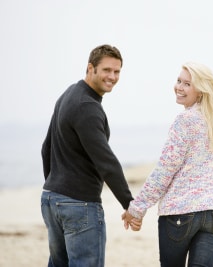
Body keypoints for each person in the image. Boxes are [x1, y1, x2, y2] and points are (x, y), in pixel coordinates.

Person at [122, 62, 213, 267]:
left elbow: (165, 170)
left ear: (201, 91)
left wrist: (137, 208)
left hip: (182, 215)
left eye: (187, 84)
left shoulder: (186, 120)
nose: (179, 87)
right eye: (179, 81)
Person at [41, 44, 141, 267]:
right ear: (90, 68)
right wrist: (129, 204)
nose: (112, 77)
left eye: (117, 72)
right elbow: (106, 162)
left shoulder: (69, 94)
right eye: (106, 70)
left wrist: (56, 186)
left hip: (52, 199)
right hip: (79, 204)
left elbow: (45, 148)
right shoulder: (87, 106)